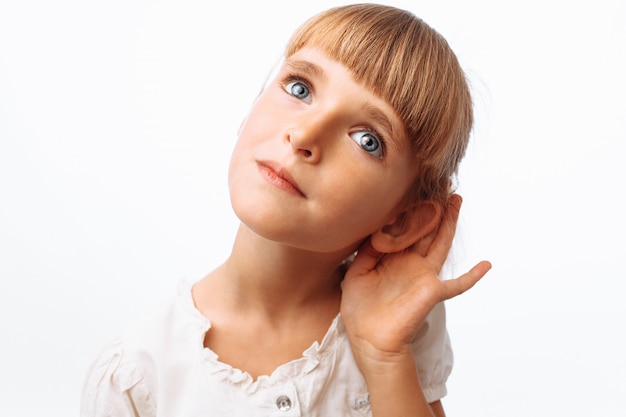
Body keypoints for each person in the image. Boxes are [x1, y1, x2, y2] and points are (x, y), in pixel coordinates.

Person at [81, 3, 491, 416]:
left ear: (401, 221)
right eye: (300, 88)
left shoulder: (398, 323)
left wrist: (384, 357)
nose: (304, 135)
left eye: (368, 139)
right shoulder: (137, 377)